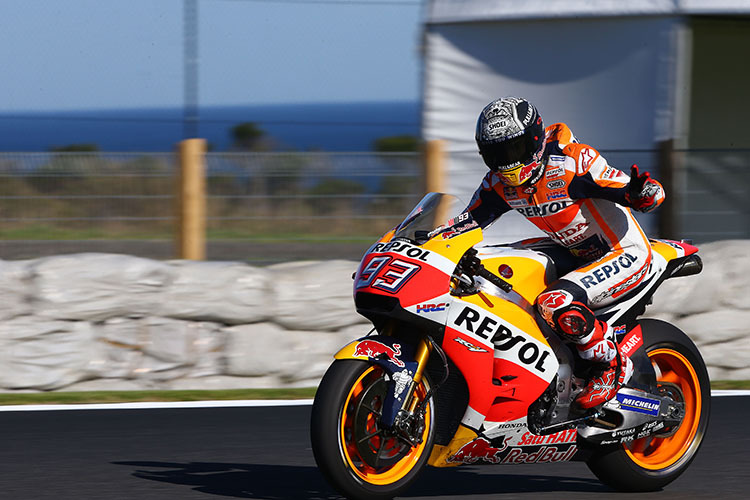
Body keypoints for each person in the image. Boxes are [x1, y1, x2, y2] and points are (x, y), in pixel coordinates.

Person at [466, 97, 664, 409]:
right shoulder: (499, 185)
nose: (507, 162)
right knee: (494, 268)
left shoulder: (574, 163)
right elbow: (465, 224)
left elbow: (638, 191)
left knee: (553, 302)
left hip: (622, 253)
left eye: (513, 150)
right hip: (573, 252)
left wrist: (641, 193)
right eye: (496, 153)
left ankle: (610, 366)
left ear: (534, 140)